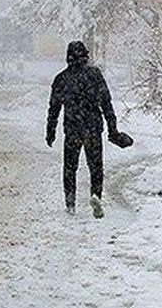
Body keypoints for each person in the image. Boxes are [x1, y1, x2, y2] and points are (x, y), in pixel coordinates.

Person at [46, 40, 118, 218]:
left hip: (72, 129)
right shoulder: (95, 75)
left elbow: (54, 108)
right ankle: (96, 196)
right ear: (85, 55)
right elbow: (107, 103)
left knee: (70, 168)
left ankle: (70, 202)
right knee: (95, 167)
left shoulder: (61, 79)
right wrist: (112, 128)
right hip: (92, 128)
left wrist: (51, 130)